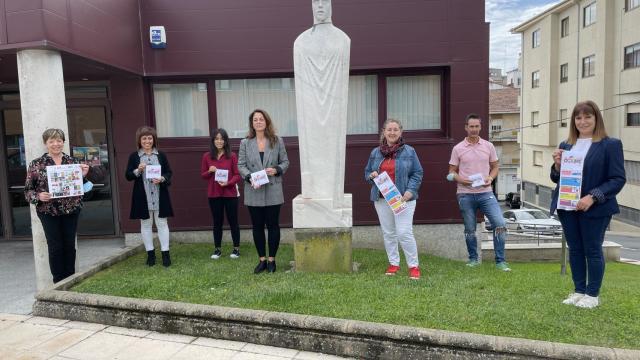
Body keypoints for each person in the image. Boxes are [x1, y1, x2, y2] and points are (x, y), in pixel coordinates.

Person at [550, 100, 625, 309]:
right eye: (578, 117)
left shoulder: (610, 144)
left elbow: (617, 179)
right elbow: (556, 178)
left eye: (587, 117)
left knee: (592, 250)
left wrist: (592, 196)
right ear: (573, 121)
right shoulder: (567, 145)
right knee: (574, 249)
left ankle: (592, 295)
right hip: (568, 206)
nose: (582, 121)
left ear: (596, 118)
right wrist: (557, 166)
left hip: (596, 207)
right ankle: (578, 291)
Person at [24, 128, 101, 283]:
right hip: (48, 211)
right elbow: (28, 191)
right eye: (51, 141)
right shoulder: (37, 164)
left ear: (63, 142)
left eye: (59, 140)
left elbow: (84, 188)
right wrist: (38, 196)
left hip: (71, 210)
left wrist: (84, 175)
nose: (56, 144)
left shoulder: (72, 162)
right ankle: (58, 282)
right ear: (46, 143)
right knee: (55, 247)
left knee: (69, 245)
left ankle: (71, 279)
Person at [448, 113, 511, 271]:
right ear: (466, 128)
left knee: (500, 224)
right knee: (470, 228)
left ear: (480, 127)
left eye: (477, 126)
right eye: (471, 126)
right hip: (465, 193)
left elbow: (496, 167)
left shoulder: (488, 146)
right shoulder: (458, 148)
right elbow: (451, 172)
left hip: (486, 192)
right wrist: (462, 180)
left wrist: (490, 177)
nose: (474, 129)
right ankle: (473, 259)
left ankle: (500, 261)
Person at [364, 119, 423, 280]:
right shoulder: (375, 153)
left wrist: (410, 192)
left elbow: (417, 173)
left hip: (404, 200)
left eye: (395, 129)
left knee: (404, 233)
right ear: (384, 132)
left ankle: (413, 266)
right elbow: (367, 173)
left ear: (400, 132)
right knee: (389, 233)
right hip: (382, 199)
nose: (392, 132)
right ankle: (394, 263)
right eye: (389, 129)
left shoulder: (410, 151)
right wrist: (372, 175)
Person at [238, 109, 289, 274]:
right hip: (254, 189)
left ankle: (272, 260)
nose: (258, 122)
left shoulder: (277, 141)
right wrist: (249, 178)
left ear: (266, 121)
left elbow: (286, 162)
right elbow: (241, 165)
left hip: (273, 188)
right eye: (255, 120)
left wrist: (276, 169)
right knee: (257, 226)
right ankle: (262, 260)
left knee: (273, 225)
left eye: (261, 119)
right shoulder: (245, 143)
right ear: (251, 123)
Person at [125, 126, 174, 267]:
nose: (147, 141)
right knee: (146, 225)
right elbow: (128, 176)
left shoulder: (161, 155)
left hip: (160, 195)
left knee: (162, 224)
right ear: (139, 141)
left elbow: (169, 173)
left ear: (154, 140)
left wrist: (162, 179)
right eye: (144, 138)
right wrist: (137, 170)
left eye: (150, 138)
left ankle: (166, 254)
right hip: (143, 197)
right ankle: (150, 255)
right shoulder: (134, 156)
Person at [201, 128, 242, 260]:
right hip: (214, 194)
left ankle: (236, 249)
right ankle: (217, 249)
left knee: (233, 222)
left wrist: (228, 183)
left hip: (230, 193)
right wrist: (210, 171)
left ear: (225, 141)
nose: (219, 141)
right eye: (217, 139)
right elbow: (203, 175)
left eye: (222, 139)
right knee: (217, 222)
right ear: (213, 141)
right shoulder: (207, 156)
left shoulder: (232, 156)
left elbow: (237, 175)